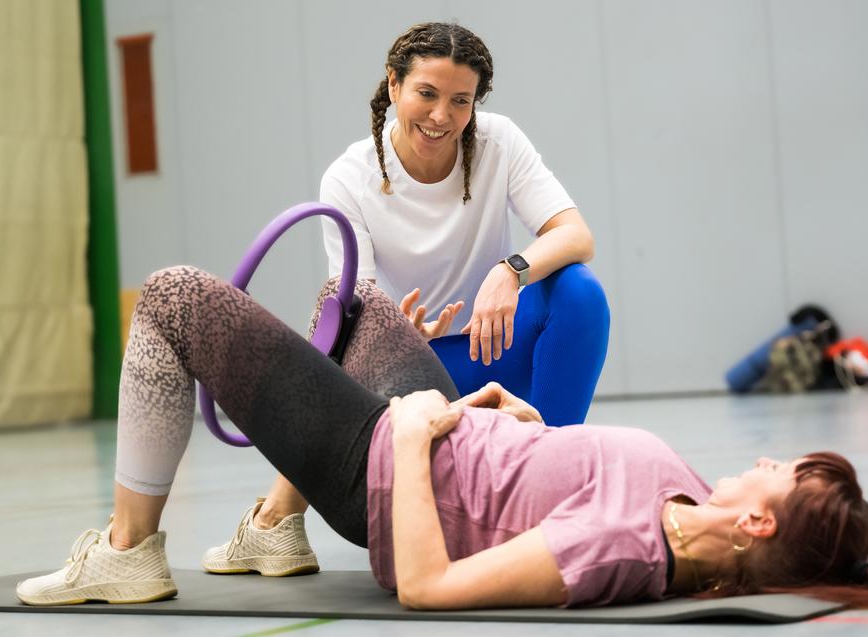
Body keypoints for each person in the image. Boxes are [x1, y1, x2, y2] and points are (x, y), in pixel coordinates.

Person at [16, 267, 868, 609]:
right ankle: (268, 530)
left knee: (175, 298)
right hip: (452, 427)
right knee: (353, 301)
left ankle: (127, 553)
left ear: (756, 525)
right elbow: (549, 476)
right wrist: (506, 418)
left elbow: (427, 586)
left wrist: (412, 439)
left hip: (385, 472)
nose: (769, 458)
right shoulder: (692, 493)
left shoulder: (615, 549)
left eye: (782, 473)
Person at [205, 21, 610, 575]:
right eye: (427, 93)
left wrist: (510, 271)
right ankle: (274, 523)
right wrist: (395, 337)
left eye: (460, 100)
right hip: (410, 379)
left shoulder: (498, 143)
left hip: (492, 350)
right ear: (393, 85)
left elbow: (576, 235)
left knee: (579, 292)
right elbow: (356, 303)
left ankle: (547, 495)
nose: (442, 115)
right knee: (339, 317)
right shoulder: (349, 178)